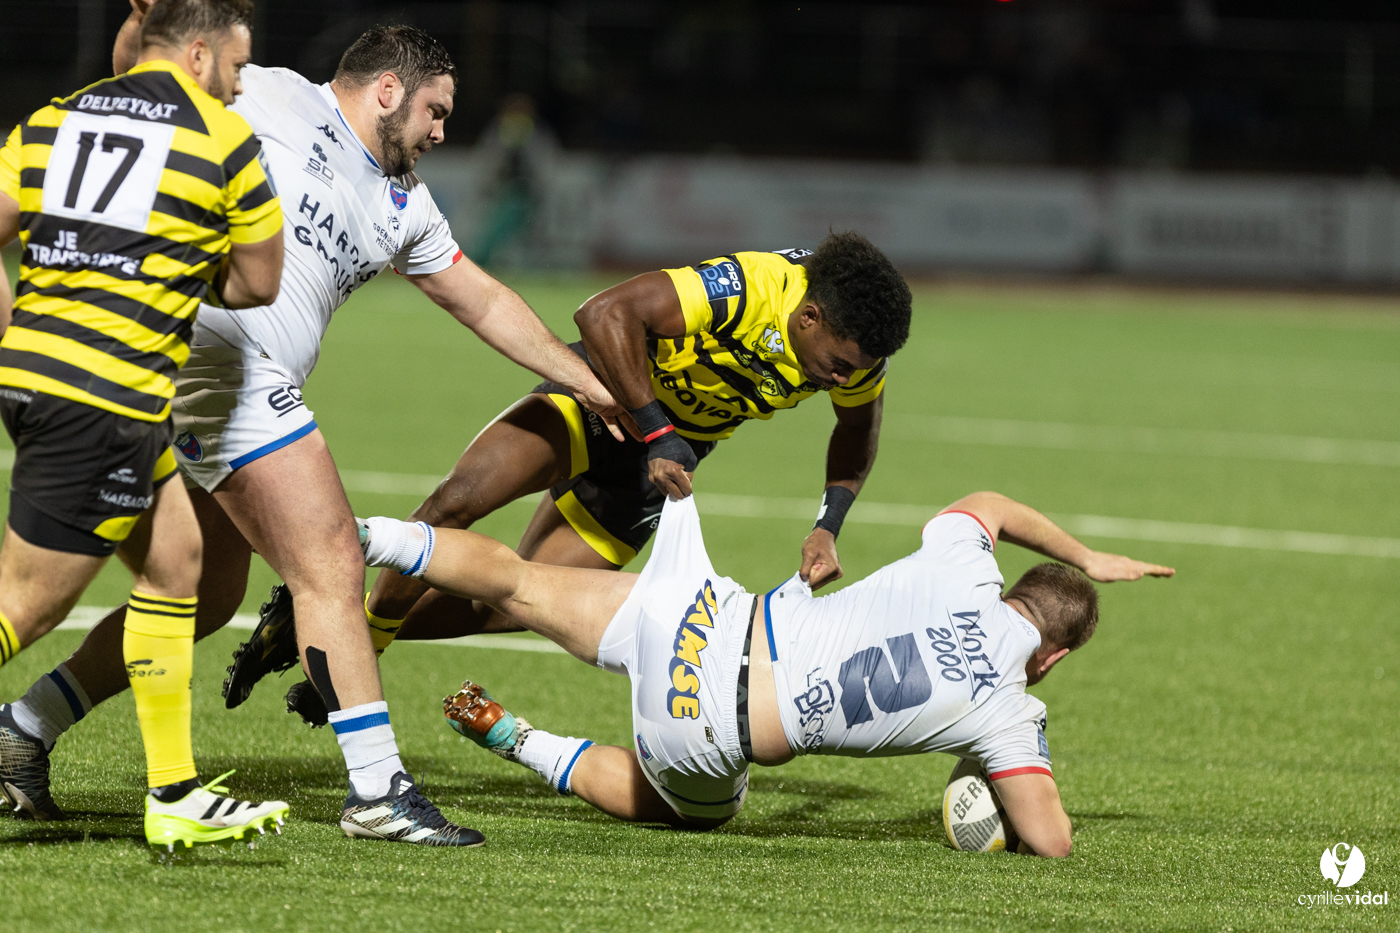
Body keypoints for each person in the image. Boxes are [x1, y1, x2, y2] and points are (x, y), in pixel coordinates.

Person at [2, 1, 622, 847]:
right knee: (327, 556)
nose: (443, 131)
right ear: (388, 91)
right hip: (221, 366)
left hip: (201, 379)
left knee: (202, 592)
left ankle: (24, 727)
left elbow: (480, 299)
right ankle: (377, 790)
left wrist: (583, 380)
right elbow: (146, 74)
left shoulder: (405, 205)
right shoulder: (269, 93)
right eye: (436, 110)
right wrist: (147, 19)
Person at [227, 232, 914, 728]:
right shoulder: (751, 286)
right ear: (809, 317)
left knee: (516, 598)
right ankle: (352, 651)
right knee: (455, 503)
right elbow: (604, 312)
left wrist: (828, 524)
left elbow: (857, 433)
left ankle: (331, 628)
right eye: (839, 363)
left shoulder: (857, 355)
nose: (843, 379)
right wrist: (655, 427)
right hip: (601, 401)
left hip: (653, 467)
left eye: (855, 371)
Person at [356, 489, 1174, 854]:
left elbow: (988, 502)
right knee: (694, 810)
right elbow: (1052, 840)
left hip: (704, 612)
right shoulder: (1010, 714)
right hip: (701, 723)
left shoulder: (967, 565)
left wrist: (1086, 555)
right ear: (1055, 656)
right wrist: (996, 764)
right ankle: (517, 737)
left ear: (1016, 588)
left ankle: (365, 534)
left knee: (518, 581)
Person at [0, 0, 290, 849]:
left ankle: (173, 792)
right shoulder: (222, 138)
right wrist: (178, 261)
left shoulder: (57, 117)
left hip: (41, 374)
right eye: (236, 67)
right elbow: (260, 281)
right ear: (198, 55)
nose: (239, 87)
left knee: (176, 564)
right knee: (25, 604)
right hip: (109, 394)